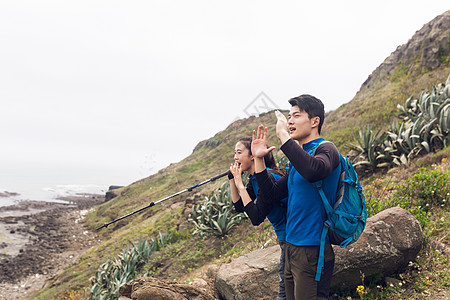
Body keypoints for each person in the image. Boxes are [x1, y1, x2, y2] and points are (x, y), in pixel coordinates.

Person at [251, 95, 341, 300]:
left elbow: (313, 171)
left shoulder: (326, 149)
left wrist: (283, 136)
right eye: (288, 116)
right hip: (291, 247)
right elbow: (272, 193)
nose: (289, 121)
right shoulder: (298, 158)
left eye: (296, 116)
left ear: (314, 121)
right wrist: (258, 159)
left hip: (312, 249)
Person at [228, 136, 287, 300]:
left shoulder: (268, 179)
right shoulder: (255, 179)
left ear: (253, 155)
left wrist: (240, 184)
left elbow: (256, 217)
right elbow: (240, 207)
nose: (235, 157)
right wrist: (233, 181)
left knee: (285, 290)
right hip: (285, 238)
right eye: (235, 153)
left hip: (292, 237)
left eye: (239, 153)